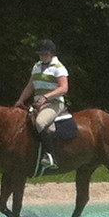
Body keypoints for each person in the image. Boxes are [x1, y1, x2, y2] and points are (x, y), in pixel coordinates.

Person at [14, 38, 69, 171]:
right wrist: (20, 100)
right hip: (38, 103)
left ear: (52, 54)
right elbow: (30, 86)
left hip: (54, 102)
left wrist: (46, 97)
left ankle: (50, 156)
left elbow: (63, 88)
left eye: (45, 54)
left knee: (40, 122)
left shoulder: (58, 68)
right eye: (40, 54)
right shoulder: (37, 66)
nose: (42, 56)